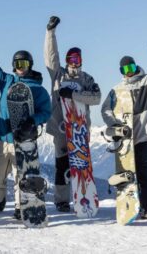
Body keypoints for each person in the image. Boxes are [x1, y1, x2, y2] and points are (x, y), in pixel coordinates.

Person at [0, 36, 51, 219]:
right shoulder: (7, 81)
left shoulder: (38, 89)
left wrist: (33, 120)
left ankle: (19, 206)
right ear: (13, 65)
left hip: (23, 139)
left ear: (30, 65)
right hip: (3, 136)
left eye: (24, 63)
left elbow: (46, 111)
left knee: (20, 175)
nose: (21, 67)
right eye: (17, 63)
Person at [101, 44, 147, 219]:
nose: (129, 72)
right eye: (125, 69)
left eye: (131, 67)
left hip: (146, 134)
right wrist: (114, 124)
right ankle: (131, 204)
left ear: (136, 67)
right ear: (121, 71)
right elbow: (105, 109)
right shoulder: (117, 90)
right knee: (129, 174)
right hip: (126, 138)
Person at [43, 16, 101, 212]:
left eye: (77, 59)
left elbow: (96, 97)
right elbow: (51, 56)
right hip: (61, 127)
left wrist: (75, 95)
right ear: (67, 61)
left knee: (80, 163)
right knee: (62, 165)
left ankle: (84, 196)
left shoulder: (87, 78)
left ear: (81, 61)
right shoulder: (59, 75)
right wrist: (50, 32)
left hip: (80, 128)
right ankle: (61, 200)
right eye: (71, 59)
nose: (74, 63)